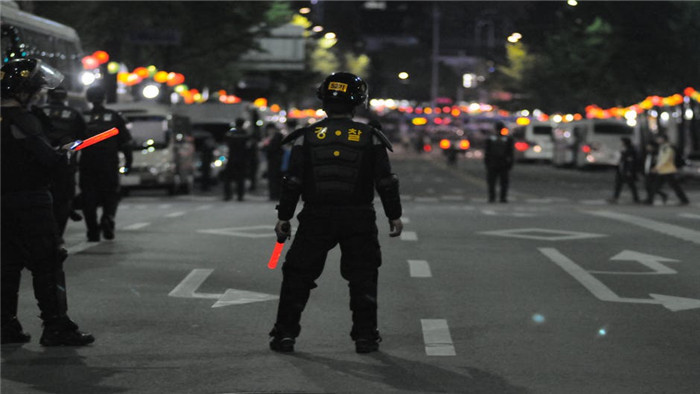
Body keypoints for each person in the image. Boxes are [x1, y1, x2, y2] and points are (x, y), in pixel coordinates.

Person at [269, 72, 403, 354]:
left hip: (316, 216)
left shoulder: (306, 137)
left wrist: (284, 216)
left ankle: (285, 334)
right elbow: (385, 181)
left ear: (323, 102)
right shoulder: (371, 137)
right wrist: (394, 214)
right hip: (359, 217)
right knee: (363, 277)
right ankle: (365, 337)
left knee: (297, 276)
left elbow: (293, 182)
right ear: (358, 103)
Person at [1, 58, 94, 346]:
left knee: (6, 264)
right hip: (30, 202)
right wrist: (63, 153)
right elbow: (48, 160)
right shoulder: (24, 120)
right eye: (36, 89)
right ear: (22, 91)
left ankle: (5, 326)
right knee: (47, 262)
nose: (40, 94)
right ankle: (56, 326)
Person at [79, 85, 133, 242]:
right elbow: (126, 143)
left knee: (88, 197)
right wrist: (128, 163)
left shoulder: (82, 117)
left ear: (88, 98)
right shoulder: (115, 116)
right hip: (109, 163)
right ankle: (108, 217)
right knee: (111, 194)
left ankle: (92, 230)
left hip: (87, 163)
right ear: (104, 98)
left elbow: (73, 142)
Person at [37, 86, 88, 242]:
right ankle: (58, 234)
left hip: (40, 163)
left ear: (48, 97)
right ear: (65, 97)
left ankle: (44, 232)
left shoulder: (37, 112)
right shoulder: (74, 114)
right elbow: (82, 140)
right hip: (65, 164)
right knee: (64, 199)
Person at [645, 134, 689, 205]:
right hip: (663, 170)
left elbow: (665, 159)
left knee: (673, 186)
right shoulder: (663, 147)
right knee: (657, 186)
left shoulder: (667, 147)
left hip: (667, 170)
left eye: (659, 138)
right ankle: (650, 199)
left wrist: (656, 168)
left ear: (663, 139)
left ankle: (650, 200)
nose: (657, 140)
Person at [483, 121, 514, 203]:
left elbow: (487, 152)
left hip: (493, 163)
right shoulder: (507, 139)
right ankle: (502, 198)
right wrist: (510, 163)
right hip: (503, 163)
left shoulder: (491, 139)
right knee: (503, 182)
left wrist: (487, 163)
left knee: (492, 182)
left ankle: (492, 197)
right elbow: (511, 153)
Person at [222, 118, 252, 201]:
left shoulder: (231, 134)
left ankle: (228, 195)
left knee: (228, 178)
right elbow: (249, 147)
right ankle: (240, 195)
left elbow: (226, 143)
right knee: (240, 179)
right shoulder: (245, 134)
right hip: (242, 159)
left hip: (231, 158)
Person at [608, 137, 640, 203]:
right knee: (619, 184)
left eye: (622, 142)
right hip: (622, 170)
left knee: (631, 185)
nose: (621, 143)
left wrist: (629, 170)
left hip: (627, 170)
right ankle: (615, 197)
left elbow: (631, 161)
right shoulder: (624, 149)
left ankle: (636, 198)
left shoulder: (630, 150)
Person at [261, 123, 285, 200]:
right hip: (272, 159)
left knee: (276, 177)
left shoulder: (277, 136)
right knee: (273, 177)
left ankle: (275, 195)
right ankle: (274, 194)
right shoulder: (270, 137)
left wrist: (265, 146)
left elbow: (272, 148)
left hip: (276, 159)